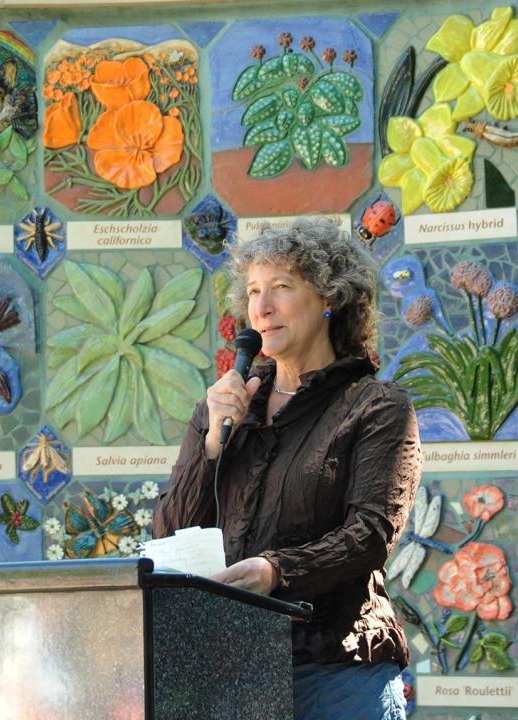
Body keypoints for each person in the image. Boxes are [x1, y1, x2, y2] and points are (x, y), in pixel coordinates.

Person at [153, 216, 422, 720]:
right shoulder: (224, 406)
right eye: (253, 291)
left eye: (281, 287)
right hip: (232, 672)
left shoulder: (375, 406)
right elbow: (170, 534)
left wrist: (275, 571)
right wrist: (212, 442)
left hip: (335, 672)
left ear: (330, 298)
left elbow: (371, 534)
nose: (262, 307)